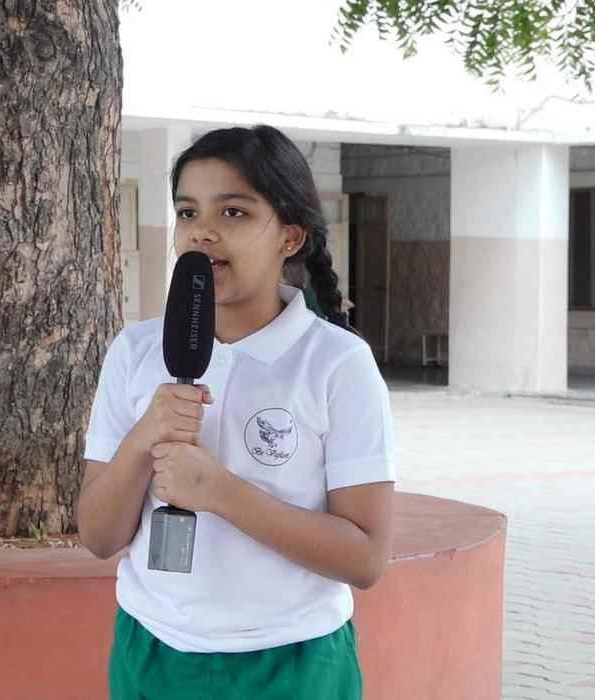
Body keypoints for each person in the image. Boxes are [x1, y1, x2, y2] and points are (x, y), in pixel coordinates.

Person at [77, 124, 398, 699]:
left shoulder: (336, 363)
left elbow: (366, 558)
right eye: (187, 212)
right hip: (152, 652)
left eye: (234, 213)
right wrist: (145, 436)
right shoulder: (135, 351)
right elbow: (99, 537)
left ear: (290, 237)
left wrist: (219, 492)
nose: (202, 231)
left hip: (292, 662)